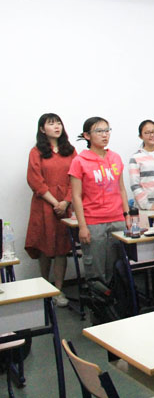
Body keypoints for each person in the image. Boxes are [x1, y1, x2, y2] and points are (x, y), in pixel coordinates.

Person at [69, 117, 131, 283]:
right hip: (94, 223)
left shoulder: (115, 158)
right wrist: (82, 226)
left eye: (107, 130)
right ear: (87, 135)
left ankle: (116, 297)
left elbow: (121, 189)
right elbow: (76, 196)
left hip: (117, 220)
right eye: (99, 131)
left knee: (117, 267)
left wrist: (127, 215)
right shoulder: (79, 161)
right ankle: (97, 299)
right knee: (96, 269)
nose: (105, 135)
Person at [25, 113, 77, 307]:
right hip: (44, 205)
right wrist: (55, 203)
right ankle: (44, 289)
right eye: (51, 124)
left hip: (65, 206)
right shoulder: (36, 152)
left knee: (62, 249)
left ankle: (58, 290)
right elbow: (35, 181)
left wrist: (66, 202)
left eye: (58, 123)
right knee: (45, 248)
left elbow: (76, 178)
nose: (57, 127)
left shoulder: (70, 150)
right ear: (42, 129)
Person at [128, 120, 154, 210]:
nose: (152, 135)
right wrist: (147, 205)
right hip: (144, 208)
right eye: (147, 133)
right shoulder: (135, 158)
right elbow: (135, 185)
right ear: (140, 136)